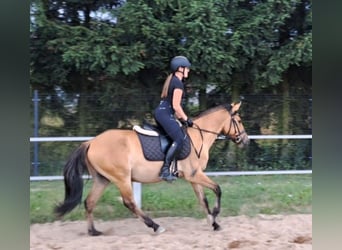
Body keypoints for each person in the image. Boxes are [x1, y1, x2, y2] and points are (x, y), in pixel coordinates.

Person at [154, 56, 194, 182]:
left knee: (174, 135)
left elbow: (173, 106)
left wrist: (181, 119)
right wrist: (186, 119)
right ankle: (165, 170)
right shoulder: (178, 83)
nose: (188, 70)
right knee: (179, 139)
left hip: (162, 113)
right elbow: (176, 106)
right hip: (165, 115)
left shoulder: (173, 81)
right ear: (180, 69)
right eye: (186, 68)